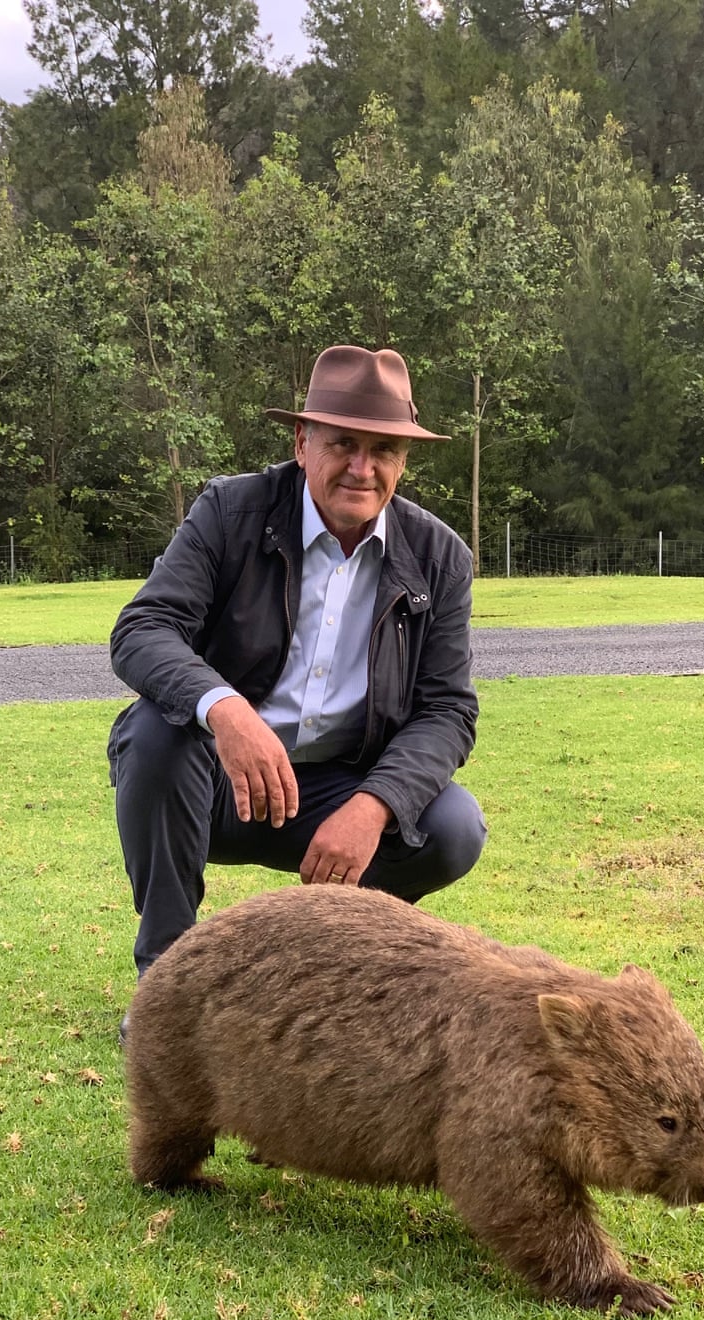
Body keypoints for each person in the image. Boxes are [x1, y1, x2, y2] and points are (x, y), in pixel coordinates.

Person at [107, 344, 487, 989]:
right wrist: (226, 711)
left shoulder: (440, 557)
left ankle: (331, 973)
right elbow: (143, 629)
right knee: (155, 736)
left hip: (335, 790)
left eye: (384, 450)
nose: (362, 469)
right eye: (343, 444)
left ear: (403, 460)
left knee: (452, 827)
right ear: (302, 442)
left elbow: (447, 710)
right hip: (216, 783)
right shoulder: (229, 511)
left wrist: (375, 804)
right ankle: (167, 984)